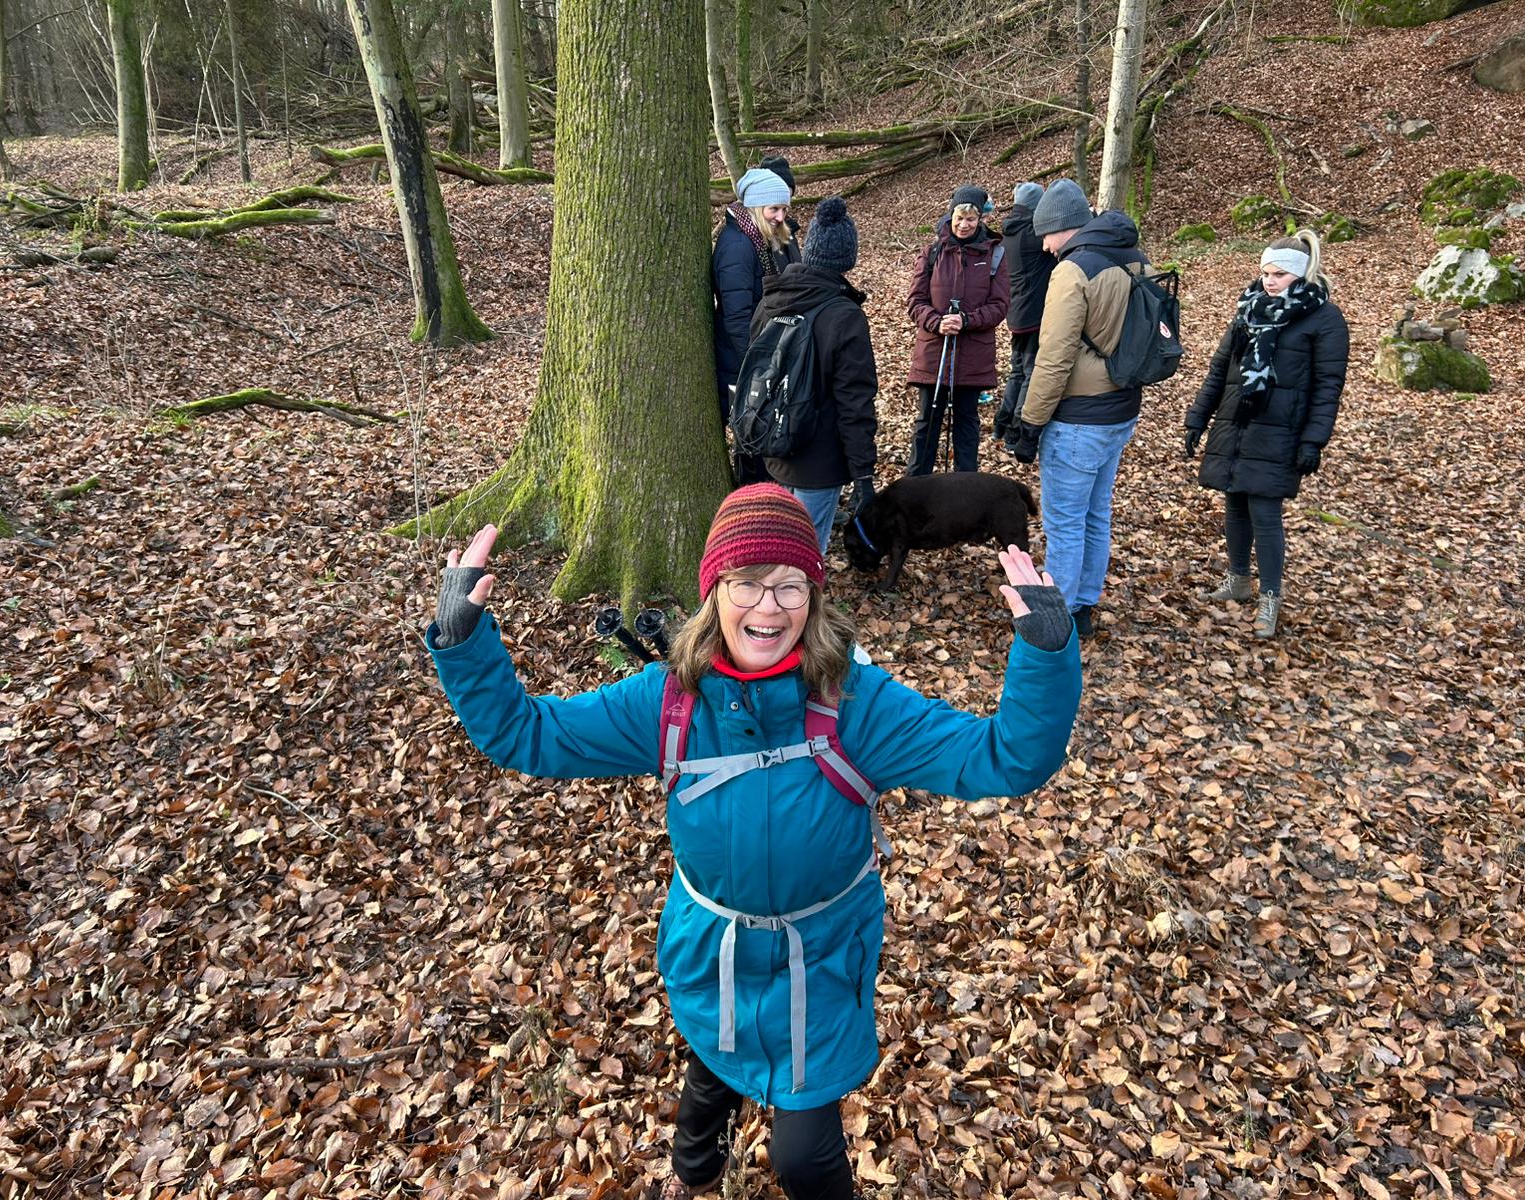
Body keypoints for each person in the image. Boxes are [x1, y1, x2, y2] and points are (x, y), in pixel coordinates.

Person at [426, 484, 1082, 1200]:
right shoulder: (667, 702)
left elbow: (1005, 757)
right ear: (715, 592)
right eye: (746, 582)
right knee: (709, 1079)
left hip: (820, 961)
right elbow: (529, 734)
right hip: (714, 952)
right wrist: (464, 642)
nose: (769, 607)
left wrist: (1046, 650)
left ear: (814, 597)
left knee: (802, 1158)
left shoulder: (857, 707)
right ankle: (697, 1170)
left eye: (790, 585)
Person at [1183, 230, 1349, 638]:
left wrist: (1313, 441)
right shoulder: (1248, 309)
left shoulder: (1324, 318)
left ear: (1300, 274)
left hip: (1280, 430)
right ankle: (1238, 579)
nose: (1269, 281)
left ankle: (1270, 597)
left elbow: (1328, 386)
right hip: (1236, 422)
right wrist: (1197, 419)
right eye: (1265, 273)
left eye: (1279, 274)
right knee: (1234, 502)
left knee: (1265, 513)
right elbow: (1220, 369)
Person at [1009, 178, 1153, 641]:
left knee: (1065, 522)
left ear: (1062, 226)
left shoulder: (1073, 271)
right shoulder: (1133, 257)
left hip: (1077, 419)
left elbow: (1054, 357)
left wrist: (1030, 422)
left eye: (1045, 235)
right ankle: (1085, 603)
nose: (1044, 246)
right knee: (1095, 513)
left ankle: (1060, 616)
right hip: (1121, 410)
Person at [749, 196, 878, 552]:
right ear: (847, 258)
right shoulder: (845, 316)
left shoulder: (771, 301)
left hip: (774, 448)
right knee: (807, 554)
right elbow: (855, 401)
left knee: (780, 548)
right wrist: (863, 472)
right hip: (820, 460)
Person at [904, 184, 1010, 475]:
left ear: (980, 219)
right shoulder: (932, 252)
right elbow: (915, 301)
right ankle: (916, 485)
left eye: (971, 219)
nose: (964, 225)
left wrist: (967, 320)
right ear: (951, 216)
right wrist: (936, 321)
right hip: (934, 353)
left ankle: (966, 486)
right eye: (959, 218)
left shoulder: (995, 255)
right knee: (927, 422)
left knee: (967, 423)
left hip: (973, 355)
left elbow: (1000, 305)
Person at [715, 166, 802, 484]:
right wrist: (760, 364)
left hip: (769, 354)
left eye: (784, 209)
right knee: (753, 443)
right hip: (746, 362)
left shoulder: (764, 238)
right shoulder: (738, 247)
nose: (781, 216)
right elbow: (737, 318)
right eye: (774, 209)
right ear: (755, 207)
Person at [995, 181, 1054, 447]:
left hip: (1018, 313)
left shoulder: (1011, 230)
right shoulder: (1033, 234)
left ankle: (1001, 423)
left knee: (1018, 371)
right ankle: (1015, 432)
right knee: (1030, 373)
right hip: (1033, 316)